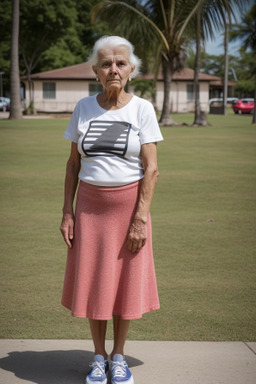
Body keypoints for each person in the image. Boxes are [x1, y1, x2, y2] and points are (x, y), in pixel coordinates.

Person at [60, 35, 163, 384]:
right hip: (89, 210)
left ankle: (119, 356)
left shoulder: (142, 109)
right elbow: (73, 165)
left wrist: (140, 219)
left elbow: (152, 170)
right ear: (96, 70)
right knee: (95, 283)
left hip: (129, 210)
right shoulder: (84, 108)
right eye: (106, 63)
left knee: (124, 284)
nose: (113, 69)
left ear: (131, 70)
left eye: (120, 63)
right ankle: (99, 357)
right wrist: (67, 212)